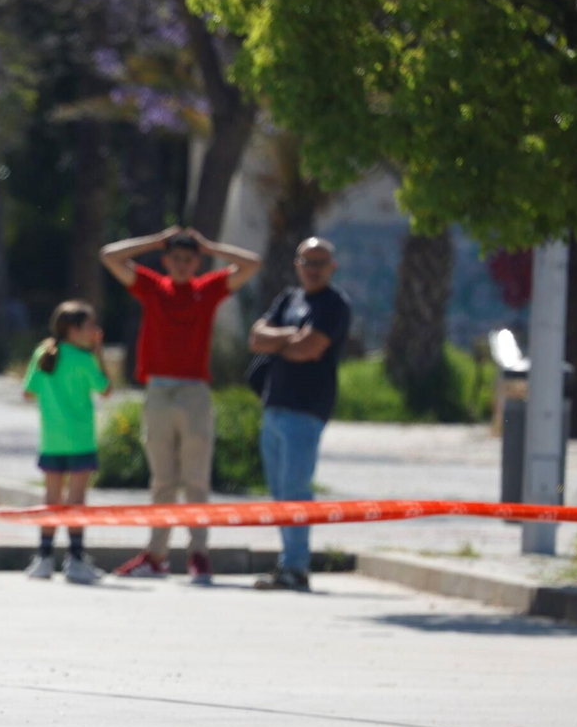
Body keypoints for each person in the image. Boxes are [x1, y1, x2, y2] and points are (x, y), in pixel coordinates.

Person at [99, 226, 261, 584]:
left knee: (196, 479)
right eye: (176, 258)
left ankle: (199, 553)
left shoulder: (207, 289)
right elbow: (110, 255)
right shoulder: (153, 286)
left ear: (197, 261)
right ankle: (156, 554)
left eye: (189, 259)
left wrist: (211, 246)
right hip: (158, 389)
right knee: (162, 479)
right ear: (167, 259)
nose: (183, 264)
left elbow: (252, 264)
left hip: (194, 392)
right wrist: (155, 241)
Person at [248, 237, 351, 592]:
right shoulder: (289, 299)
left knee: (295, 489)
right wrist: (290, 336)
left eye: (320, 262)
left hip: (306, 409)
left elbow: (309, 349)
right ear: (297, 264)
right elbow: (256, 338)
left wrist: (282, 342)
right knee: (279, 492)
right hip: (273, 405)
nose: (313, 269)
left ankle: (296, 566)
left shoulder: (334, 305)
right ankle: (288, 563)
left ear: (332, 267)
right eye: (307, 261)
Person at [22, 301, 114, 583]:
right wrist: (98, 352)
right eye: (89, 326)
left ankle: (44, 558)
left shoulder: (43, 353)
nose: (95, 331)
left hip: (51, 440)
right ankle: (75, 559)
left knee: (51, 499)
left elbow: (29, 392)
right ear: (74, 329)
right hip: (81, 441)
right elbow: (106, 389)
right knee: (76, 501)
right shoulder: (84, 359)